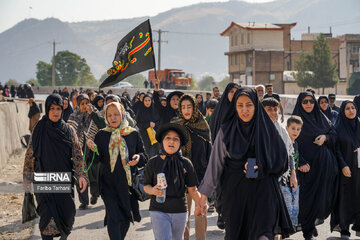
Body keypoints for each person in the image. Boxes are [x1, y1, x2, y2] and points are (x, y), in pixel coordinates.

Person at [198, 87, 293, 240]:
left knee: (263, 235)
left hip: (264, 192)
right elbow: (215, 165)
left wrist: (262, 166)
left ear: (256, 105)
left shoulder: (267, 129)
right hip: (235, 195)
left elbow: (282, 160)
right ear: (234, 107)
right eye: (240, 105)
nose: (245, 110)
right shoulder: (226, 131)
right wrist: (203, 197)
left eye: (249, 104)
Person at [23, 94, 88, 240]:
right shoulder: (38, 129)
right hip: (43, 179)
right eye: (52, 108)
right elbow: (29, 156)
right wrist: (27, 178)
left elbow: (78, 154)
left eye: (58, 108)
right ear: (47, 109)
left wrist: (82, 175)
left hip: (64, 179)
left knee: (67, 215)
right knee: (47, 218)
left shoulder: (68, 130)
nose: (55, 112)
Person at [89, 102, 147, 240]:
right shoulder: (101, 135)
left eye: (116, 114)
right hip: (107, 184)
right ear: (106, 118)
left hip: (127, 185)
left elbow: (144, 156)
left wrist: (138, 158)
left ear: (122, 114)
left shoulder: (133, 134)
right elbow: (95, 161)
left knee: (125, 218)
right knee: (113, 217)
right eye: (109, 115)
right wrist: (93, 150)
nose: (113, 118)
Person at [292, 91, 339, 239]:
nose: (308, 104)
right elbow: (290, 144)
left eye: (311, 101)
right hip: (305, 168)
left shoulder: (321, 118)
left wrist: (325, 137)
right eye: (305, 102)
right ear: (300, 103)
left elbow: (334, 134)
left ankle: (311, 224)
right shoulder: (296, 121)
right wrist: (300, 161)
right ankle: (307, 231)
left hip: (323, 168)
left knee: (321, 199)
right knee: (306, 200)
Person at [144, 123, 202, 240]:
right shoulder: (153, 162)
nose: (172, 142)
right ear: (162, 141)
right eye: (168, 138)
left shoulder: (186, 163)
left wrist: (201, 203)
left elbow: (192, 189)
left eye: (176, 139)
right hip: (158, 210)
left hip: (180, 211)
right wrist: (153, 190)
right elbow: (146, 186)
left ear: (180, 143)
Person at [171, 94, 211, 240]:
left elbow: (209, 153)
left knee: (200, 213)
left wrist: (209, 177)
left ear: (194, 107)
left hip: (201, 176)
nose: (186, 110)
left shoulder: (203, 125)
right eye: (183, 107)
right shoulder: (176, 126)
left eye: (189, 107)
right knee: (184, 215)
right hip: (181, 176)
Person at [262, 98, 298, 231]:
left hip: (279, 179)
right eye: (269, 110)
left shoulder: (282, 131)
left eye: (275, 109)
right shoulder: (256, 130)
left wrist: (293, 175)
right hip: (260, 179)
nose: (273, 113)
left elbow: (290, 154)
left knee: (277, 217)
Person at [68, 94, 106, 209]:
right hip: (79, 150)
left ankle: (94, 194)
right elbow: (69, 132)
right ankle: (84, 201)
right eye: (82, 104)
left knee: (93, 173)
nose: (85, 106)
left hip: (93, 149)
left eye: (86, 103)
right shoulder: (73, 116)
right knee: (80, 174)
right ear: (78, 105)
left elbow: (103, 125)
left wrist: (92, 114)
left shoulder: (95, 113)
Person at [330, 101, 360, 239]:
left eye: (353, 108)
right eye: (347, 108)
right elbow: (336, 149)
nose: (351, 110)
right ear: (343, 111)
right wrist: (343, 165)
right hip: (346, 170)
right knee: (345, 199)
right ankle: (344, 229)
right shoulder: (338, 128)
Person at [285, 116, 303, 230]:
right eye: (293, 128)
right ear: (286, 128)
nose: (295, 131)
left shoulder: (295, 143)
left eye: (298, 129)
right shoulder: (285, 142)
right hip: (285, 179)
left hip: (294, 180)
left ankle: (290, 227)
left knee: (293, 206)